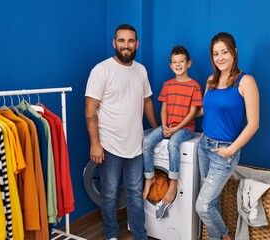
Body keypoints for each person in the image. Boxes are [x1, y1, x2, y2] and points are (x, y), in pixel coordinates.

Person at [85, 24, 158, 240]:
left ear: (137, 44)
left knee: (135, 193)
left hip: (136, 145)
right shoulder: (101, 70)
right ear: (114, 43)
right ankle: (110, 234)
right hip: (109, 145)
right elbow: (90, 110)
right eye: (122, 40)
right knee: (109, 193)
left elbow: (147, 102)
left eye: (130, 41)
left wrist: (157, 130)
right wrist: (95, 143)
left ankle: (139, 234)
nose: (126, 45)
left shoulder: (141, 70)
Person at [195, 32, 259, 240]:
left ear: (234, 52)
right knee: (212, 202)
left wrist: (230, 150)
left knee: (203, 206)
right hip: (204, 145)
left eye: (224, 52)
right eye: (215, 54)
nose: (220, 57)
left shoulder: (245, 81)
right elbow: (206, 111)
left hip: (224, 151)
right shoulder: (211, 80)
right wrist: (179, 118)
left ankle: (225, 237)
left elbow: (253, 124)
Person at [142, 45, 203, 206]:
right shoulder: (167, 85)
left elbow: (192, 112)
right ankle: (149, 177)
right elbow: (163, 108)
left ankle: (173, 182)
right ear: (170, 65)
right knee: (147, 142)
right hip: (168, 125)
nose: (178, 65)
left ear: (188, 63)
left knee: (174, 143)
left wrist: (176, 128)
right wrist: (164, 125)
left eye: (181, 61)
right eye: (175, 62)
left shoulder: (194, 86)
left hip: (185, 128)